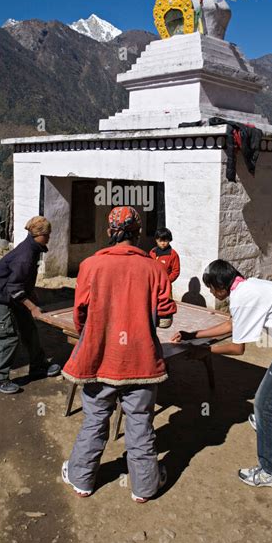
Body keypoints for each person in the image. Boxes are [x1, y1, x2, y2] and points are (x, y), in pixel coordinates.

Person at [171, 259, 272, 489]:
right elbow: (233, 325)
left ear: (220, 286)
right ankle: (268, 424)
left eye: (210, 288)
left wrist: (205, 351)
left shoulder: (243, 298)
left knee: (264, 405)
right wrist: (193, 334)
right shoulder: (247, 287)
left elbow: (237, 348)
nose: (210, 292)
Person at [61, 206, 177, 503]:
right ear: (139, 233)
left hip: (100, 358)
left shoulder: (90, 266)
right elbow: (165, 319)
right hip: (141, 359)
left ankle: (81, 480)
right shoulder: (154, 268)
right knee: (140, 422)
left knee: (95, 419)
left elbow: (80, 317)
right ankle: (145, 487)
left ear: (110, 232)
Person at [0, 216, 61, 394]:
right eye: (47, 234)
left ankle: (38, 365)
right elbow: (14, 288)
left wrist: (33, 300)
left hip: (12, 296)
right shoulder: (25, 255)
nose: (49, 238)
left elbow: (23, 283)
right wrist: (32, 307)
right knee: (9, 338)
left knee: (29, 329)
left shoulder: (32, 249)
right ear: (39, 235)